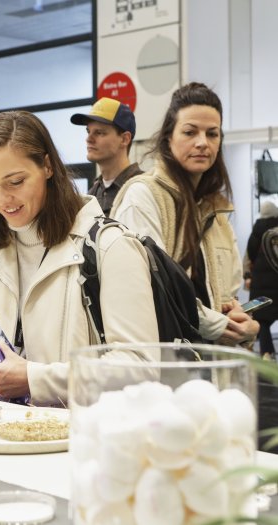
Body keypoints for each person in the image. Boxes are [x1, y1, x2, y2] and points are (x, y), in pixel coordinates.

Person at [0, 110, 159, 407]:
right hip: (2, 440)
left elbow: (141, 369)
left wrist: (35, 379)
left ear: (48, 167)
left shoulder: (111, 247)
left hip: (79, 443)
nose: (2, 199)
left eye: (15, 182)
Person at [111, 82, 259, 346]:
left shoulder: (216, 210)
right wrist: (219, 325)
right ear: (169, 138)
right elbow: (152, 287)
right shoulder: (143, 197)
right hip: (165, 366)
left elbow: (227, 293)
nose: (202, 143)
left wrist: (241, 320)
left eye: (212, 134)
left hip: (212, 367)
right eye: (190, 132)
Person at [70, 97, 143, 215]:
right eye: (88, 131)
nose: (89, 139)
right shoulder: (91, 195)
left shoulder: (143, 189)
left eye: (99, 133)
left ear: (125, 139)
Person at [246, 201, 278, 358]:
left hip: (261, 281)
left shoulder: (257, 230)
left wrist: (248, 275)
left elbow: (250, 254)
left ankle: (267, 353)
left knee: (262, 320)